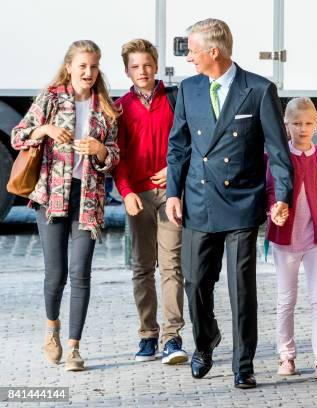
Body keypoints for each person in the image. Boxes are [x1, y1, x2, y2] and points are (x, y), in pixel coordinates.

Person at [165, 18, 293, 388]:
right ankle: (205, 343)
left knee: (241, 287)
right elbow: (179, 147)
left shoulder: (257, 89)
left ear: (213, 52)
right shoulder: (188, 89)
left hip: (240, 203)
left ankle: (244, 364)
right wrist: (174, 192)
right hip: (200, 202)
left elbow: (277, 151)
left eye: (192, 50)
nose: (188, 57)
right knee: (194, 282)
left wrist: (281, 196)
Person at [10, 40, 120, 371]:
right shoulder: (51, 98)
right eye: (83, 65)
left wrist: (100, 150)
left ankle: (74, 347)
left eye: (94, 66)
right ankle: (52, 329)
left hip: (88, 199)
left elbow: (114, 156)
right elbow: (18, 136)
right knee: (56, 274)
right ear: (69, 66)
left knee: (81, 272)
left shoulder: (106, 108)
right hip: (51, 197)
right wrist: (43, 128)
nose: (89, 72)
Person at [113, 39, 187, 364]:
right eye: (135, 66)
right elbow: (119, 157)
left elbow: (187, 144)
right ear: (127, 71)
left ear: (156, 65)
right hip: (138, 198)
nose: (141, 71)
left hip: (171, 195)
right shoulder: (119, 108)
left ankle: (173, 338)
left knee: (172, 266)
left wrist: (173, 171)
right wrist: (126, 192)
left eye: (147, 64)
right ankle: (147, 335)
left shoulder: (175, 99)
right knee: (143, 267)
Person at [266, 97, 317, 379]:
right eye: (297, 123)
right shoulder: (277, 156)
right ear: (286, 125)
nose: (303, 129)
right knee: (286, 299)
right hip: (285, 240)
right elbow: (268, 192)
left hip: (316, 239)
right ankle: (286, 358)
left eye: (309, 123)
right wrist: (272, 211)